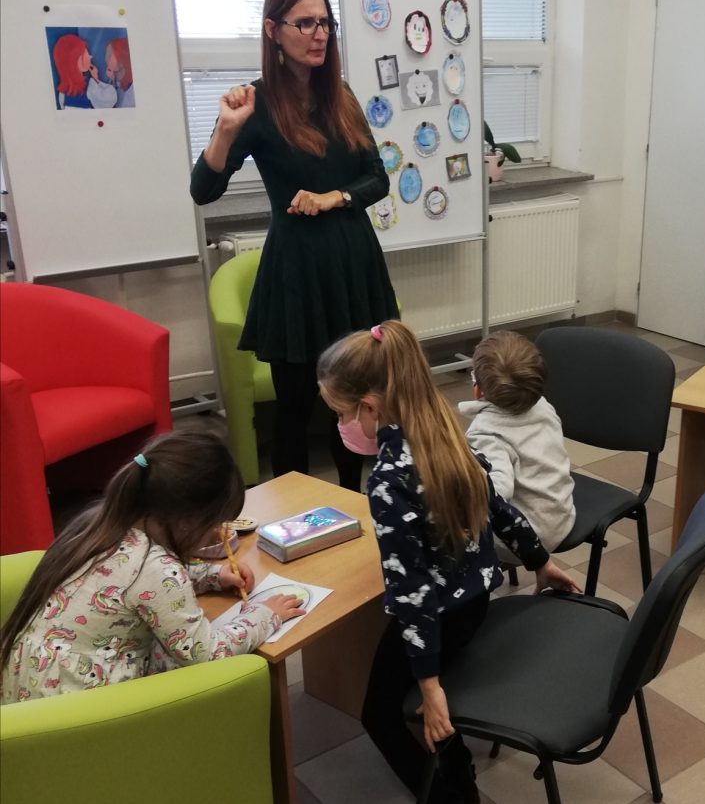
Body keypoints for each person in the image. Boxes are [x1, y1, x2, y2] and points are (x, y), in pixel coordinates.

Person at [317, 320, 579, 804]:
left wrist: (429, 681)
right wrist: (539, 560)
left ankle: (450, 796)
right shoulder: (448, 434)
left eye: (341, 413)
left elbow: (412, 592)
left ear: (370, 407)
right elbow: (498, 508)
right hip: (473, 603)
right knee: (425, 703)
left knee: (379, 714)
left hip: (438, 617)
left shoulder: (389, 479)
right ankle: (458, 773)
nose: (341, 425)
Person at [191, 0, 399, 488]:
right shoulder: (255, 104)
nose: (319, 34)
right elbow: (203, 190)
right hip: (297, 272)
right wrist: (225, 130)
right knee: (295, 407)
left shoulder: (341, 95)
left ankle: (355, 500)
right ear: (273, 30)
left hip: (353, 262)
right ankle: (293, 512)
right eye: (304, 23)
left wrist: (334, 197)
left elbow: (378, 178)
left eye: (325, 23)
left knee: (353, 402)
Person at [0, 430, 305, 703]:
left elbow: (125, 584)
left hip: (30, 688)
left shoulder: (101, 522)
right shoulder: (156, 567)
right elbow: (207, 653)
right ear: (186, 520)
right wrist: (265, 614)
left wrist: (213, 575)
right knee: (203, 668)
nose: (218, 534)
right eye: (215, 523)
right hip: (80, 707)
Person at [459, 330, 576, 556]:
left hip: (528, 539)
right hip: (561, 515)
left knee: (437, 530)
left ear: (477, 389)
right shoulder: (542, 405)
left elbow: (498, 491)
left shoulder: (486, 432)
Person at [51, 34, 117, 110]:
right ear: (75, 62)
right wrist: (96, 79)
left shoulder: (62, 94)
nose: (90, 57)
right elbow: (111, 99)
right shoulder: (90, 87)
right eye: (86, 54)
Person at [105, 36, 135, 108]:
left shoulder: (131, 91)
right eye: (106, 53)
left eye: (110, 55)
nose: (106, 58)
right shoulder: (114, 78)